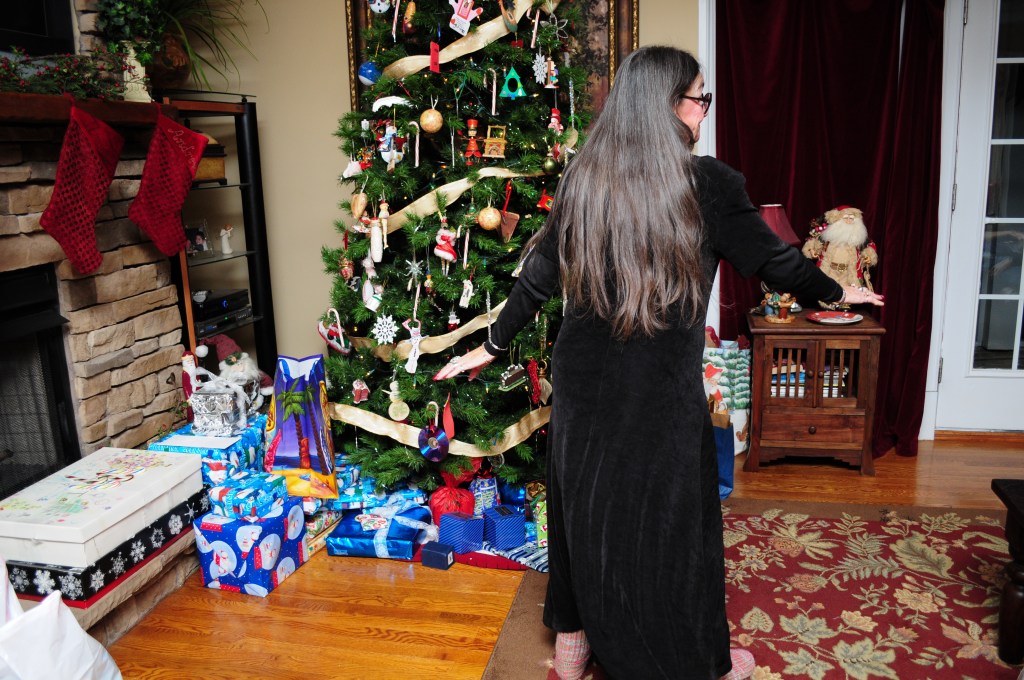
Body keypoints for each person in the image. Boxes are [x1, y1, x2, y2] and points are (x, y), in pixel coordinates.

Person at [434, 46, 883, 680]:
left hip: (583, 382)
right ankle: (691, 661)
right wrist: (838, 291)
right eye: (701, 99)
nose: (704, 112)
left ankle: (573, 645)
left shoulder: (584, 178)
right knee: (668, 523)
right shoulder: (709, 185)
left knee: (585, 508)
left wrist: (492, 345)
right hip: (659, 390)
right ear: (669, 106)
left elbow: (537, 277)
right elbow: (775, 262)